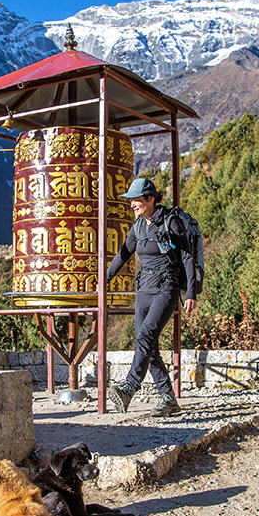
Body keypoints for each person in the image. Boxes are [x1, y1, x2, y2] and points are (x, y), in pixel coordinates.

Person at [104, 177, 197, 416]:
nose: (132, 204)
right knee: (147, 343)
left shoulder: (170, 222)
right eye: (131, 200)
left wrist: (190, 293)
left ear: (151, 199)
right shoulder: (138, 227)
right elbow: (123, 253)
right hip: (144, 288)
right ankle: (168, 398)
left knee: (145, 335)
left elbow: (187, 257)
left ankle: (129, 386)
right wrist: (104, 279)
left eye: (136, 200)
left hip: (167, 288)